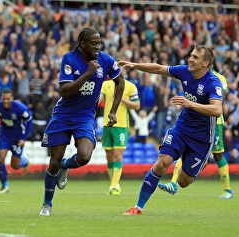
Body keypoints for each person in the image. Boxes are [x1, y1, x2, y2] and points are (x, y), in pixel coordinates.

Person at [118, 43, 223, 215]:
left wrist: (190, 103)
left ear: (206, 63)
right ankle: (138, 207)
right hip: (181, 129)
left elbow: (217, 110)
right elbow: (159, 68)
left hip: (202, 138)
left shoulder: (213, 82)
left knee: (183, 181)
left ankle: (194, 163)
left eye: (195, 57)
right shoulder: (184, 71)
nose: (190, 59)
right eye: (191, 55)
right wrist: (134, 65)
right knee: (161, 163)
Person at [39, 27, 125, 216]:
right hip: (63, 114)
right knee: (54, 160)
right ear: (82, 43)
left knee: (85, 155)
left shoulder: (106, 60)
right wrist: (87, 73)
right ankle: (47, 203)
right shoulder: (69, 59)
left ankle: (65, 166)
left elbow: (121, 82)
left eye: (99, 43)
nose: (97, 46)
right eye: (94, 43)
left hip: (85, 115)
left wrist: (112, 111)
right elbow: (65, 91)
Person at [158, 69, 233, 199]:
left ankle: (227, 190)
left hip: (215, 123)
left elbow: (219, 101)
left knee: (218, 155)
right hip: (196, 121)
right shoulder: (192, 75)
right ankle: (173, 183)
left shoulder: (218, 78)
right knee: (185, 149)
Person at [100, 68, 140, 196]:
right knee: (109, 156)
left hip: (121, 125)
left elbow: (137, 105)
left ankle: (114, 185)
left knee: (118, 155)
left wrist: (122, 99)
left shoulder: (130, 86)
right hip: (107, 124)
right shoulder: (105, 84)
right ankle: (114, 184)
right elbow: (99, 100)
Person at [0, 88, 32, 193]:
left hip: (17, 138)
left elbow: (29, 121)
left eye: (8, 99)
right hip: (4, 136)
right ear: (1, 98)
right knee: (0, 159)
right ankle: (4, 185)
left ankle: (24, 161)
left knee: (15, 166)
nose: (5, 101)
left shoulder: (20, 108)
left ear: (12, 98)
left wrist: (23, 138)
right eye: (3, 99)